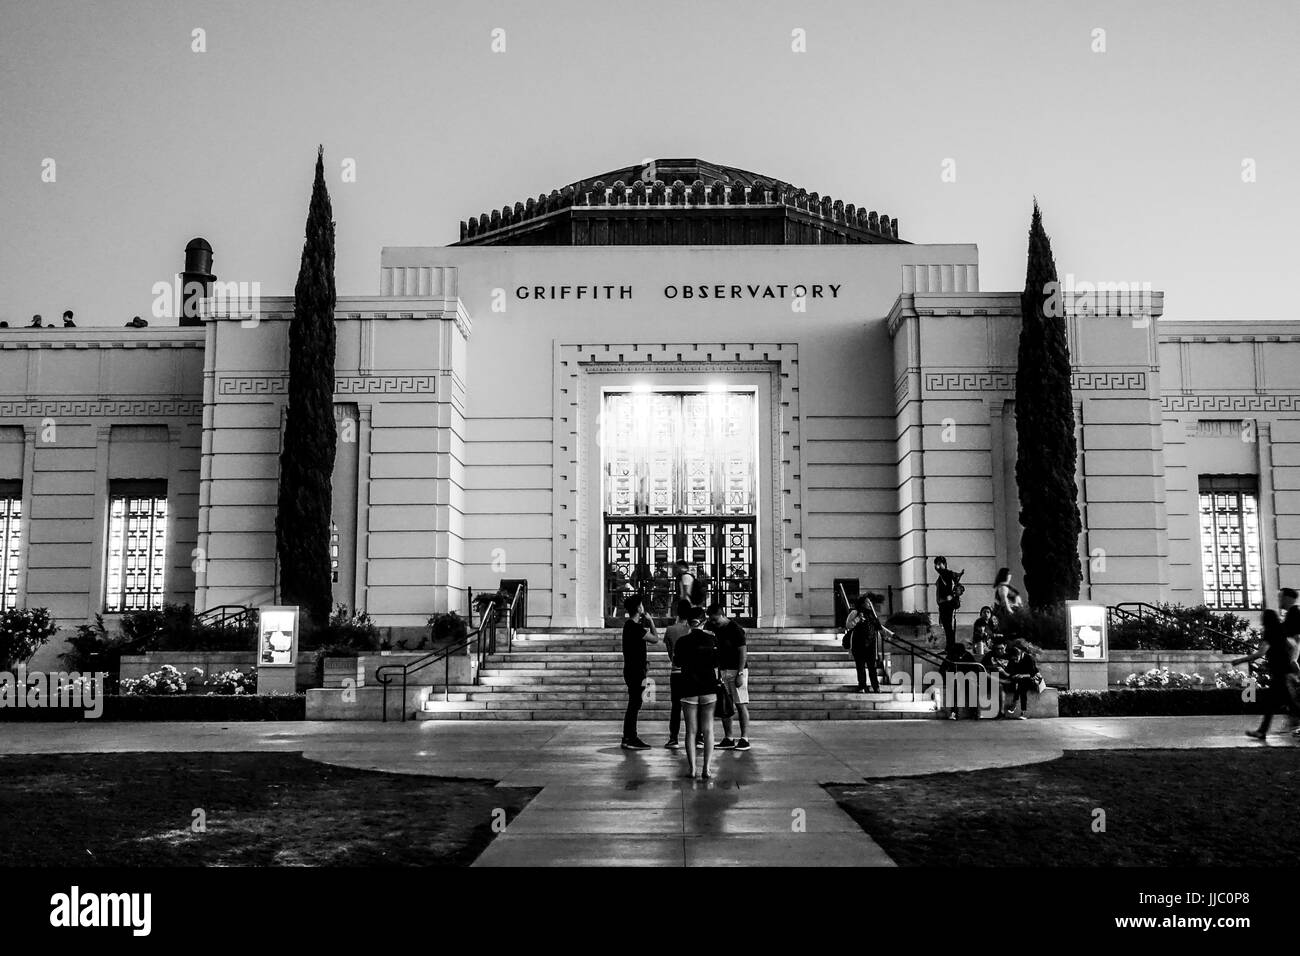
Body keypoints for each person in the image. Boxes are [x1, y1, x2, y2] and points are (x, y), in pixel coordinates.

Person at [1233, 590, 1300, 739]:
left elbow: (1260, 653)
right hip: (1283, 671)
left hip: (1279, 672)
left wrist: (1240, 660)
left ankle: (1262, 731)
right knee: (1286, 703)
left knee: (1285, 704)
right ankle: (1262, 731)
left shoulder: (1271, 632)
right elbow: (1292, 644)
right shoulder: (1281, 630)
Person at [673, 607, 719, 778]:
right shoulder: (712, 640)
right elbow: (717, 662)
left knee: (690, 731)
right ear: (704, 621)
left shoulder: (682, 641)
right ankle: (706, 768)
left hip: (688, 687)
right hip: (708, 687)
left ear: (688, 622)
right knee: (708, 730)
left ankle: (692, 769)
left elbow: (677, 662)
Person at [707, 603, 751, 750]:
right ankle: (729, 738)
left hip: (736, 670)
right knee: (726, 704)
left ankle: (744, 738)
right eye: (711, 620)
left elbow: (742, 651)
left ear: (722, 615)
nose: (713, 623)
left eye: (715, 620)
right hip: (724, 670)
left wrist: (740, 673)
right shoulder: (715, 628)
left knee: (741, 704)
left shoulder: (735, 629)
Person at [620, 595, 659, 750]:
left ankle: (628, 736)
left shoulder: (629, 626)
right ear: (638, 608)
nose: (643, 607)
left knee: (634, 704)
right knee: (635, 704)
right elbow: (655, 639)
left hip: (632, 669)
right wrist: (651, 621)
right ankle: (631, 737)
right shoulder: (635, 627)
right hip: (635, 671)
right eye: (641, 605)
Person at [846, 593, 894, 694]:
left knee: (872, 667)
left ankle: (876, 687)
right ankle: (862, 686)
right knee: (860, 667)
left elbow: (879, 627)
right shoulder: (855, 612)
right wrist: (858, 619)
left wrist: (889, 634)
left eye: (870, 602)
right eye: (867, 602)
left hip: (871, 644)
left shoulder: (872, 614)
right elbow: (848, 625)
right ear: (862, 603)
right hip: (858, 644)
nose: (869, 604)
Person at [662, 599, 693, 749]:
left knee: (676, 706)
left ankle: (673, 738)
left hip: (676, 672)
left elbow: (670, 653)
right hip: (691, 672)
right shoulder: (692, 630)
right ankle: (698, 736)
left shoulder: (670, 630)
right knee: (693, 705)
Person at [933, 556, 965, 652]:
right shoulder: (943, 575)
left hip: (947, 605)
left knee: (948, 627)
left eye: (939, 564)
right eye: (936, 564)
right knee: (947, 627)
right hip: (943, 604)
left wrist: (952, 596)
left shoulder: (947, 574)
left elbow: (956, 582)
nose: (937, 566)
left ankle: (950, 648)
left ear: (944, 564)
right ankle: (950, 647)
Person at [940, 640, 976, 719]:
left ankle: (974, 710)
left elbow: (975, 668)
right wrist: (949, 676)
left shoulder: (968, 655)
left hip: (966, 678)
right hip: (954, 678)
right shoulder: (950, 656)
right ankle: (954, 711)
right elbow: (942, 669)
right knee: (955, 686)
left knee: (972, 685)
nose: (960, 655)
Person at [1004, 643, 1040, 719]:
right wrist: (1014, 675)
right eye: (1014, 659)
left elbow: (1033, 673)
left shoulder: (1029, 658)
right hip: (1018, 681)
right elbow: (1010, 672)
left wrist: (1022, 675)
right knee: (1021, 684)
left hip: (1031, 679)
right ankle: (1023, 711)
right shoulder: (1012, 659)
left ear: (1020, 654)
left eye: (1016, 659)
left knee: (1022, 685)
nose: (1015, 661)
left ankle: (1015, 704)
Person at [981, 640, 1013, 717]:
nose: (999, 651)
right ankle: (1001, 712)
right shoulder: (989, 655)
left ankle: (1001, 711)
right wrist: (1002, 681)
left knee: (1000, 686)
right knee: (999, 686)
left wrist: (1004, 673)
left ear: (1005, 647)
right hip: (992, 679)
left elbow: (1014, 673)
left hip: (1008, 679)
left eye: (1001, 648)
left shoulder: (1010, 656)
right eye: (997, 649)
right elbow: (983, 672)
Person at [993, 568, 1022, 634]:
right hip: (1009, 616)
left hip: (1014, 613)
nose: (1010, 576)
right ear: (1006, 575)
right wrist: (1011, 613)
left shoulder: (1006, 586)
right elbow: (1004, 601)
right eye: (1009, 574)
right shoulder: (1003, 587)